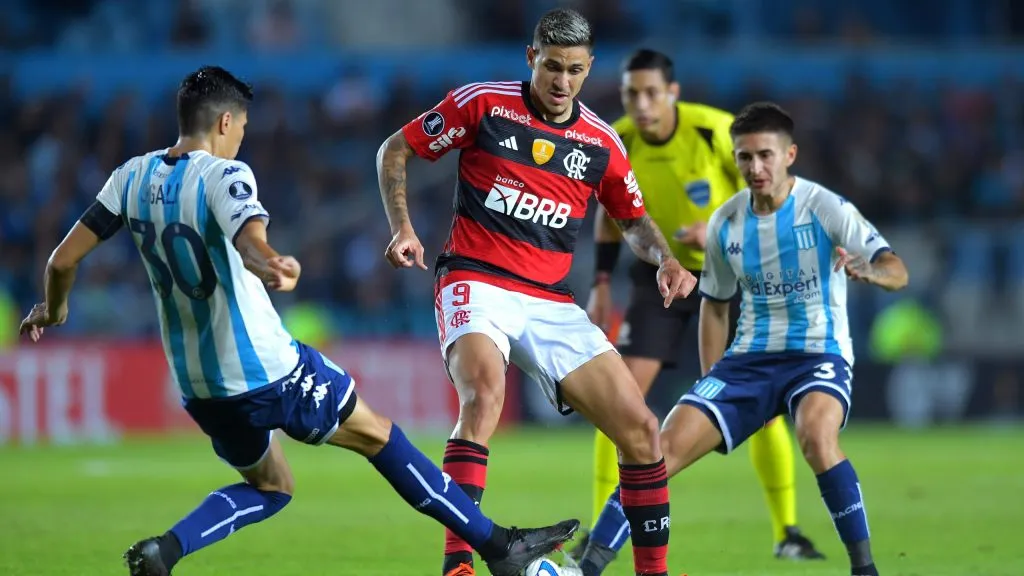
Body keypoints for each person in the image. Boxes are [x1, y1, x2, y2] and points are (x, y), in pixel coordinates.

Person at [18, 65, 578, 576]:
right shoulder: (225, 175)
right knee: (382, 438)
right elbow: (252, 242)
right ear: (226, 120)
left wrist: (55, 308)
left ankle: (167, 549)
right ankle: (500, 548)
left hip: (197, 386)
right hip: (266, 368)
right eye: (241, 127)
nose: (241, 137)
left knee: (272, 486)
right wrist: (274, 266)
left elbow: (61, 261)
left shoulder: (129, 178)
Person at [376, 9, 697, 576]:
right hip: (474, 277)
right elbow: (394, 150)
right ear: (532, 58)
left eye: (574, 70)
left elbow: (633, 220)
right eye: (552, 66)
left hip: (551, 300)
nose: (561, 81)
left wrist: (666, 258)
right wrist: (403, 225)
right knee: (483, 398)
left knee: (643, 431)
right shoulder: (482, 104)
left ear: (588, 68)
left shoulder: (601, 142)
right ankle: (458, 568)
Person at [576, 102, 908, 576]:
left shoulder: (827, 209)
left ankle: (864, 568)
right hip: (747, 363)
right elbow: (714, 306)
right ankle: (587, 569)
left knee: (815, 436)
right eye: (745, 157)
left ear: (789, 154)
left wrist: (871, 272)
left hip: (817, 355)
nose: (755, 167)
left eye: (765, 156)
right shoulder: (725, 222)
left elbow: (898, 269)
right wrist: (713, 384)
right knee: (652, 453)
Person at [576, 48, 823, 563]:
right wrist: (601, 281)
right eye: (630, 94)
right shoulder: (616, 139)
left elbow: (770, 200)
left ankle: (788, 532)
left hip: (731, 278)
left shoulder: (716, 132)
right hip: (658, 280)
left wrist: (715, 226)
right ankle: (603, 526)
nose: (640, 105)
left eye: (650, 93)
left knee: (763, 405)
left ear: (673, 93)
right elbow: (608, 214)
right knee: (616, 401)